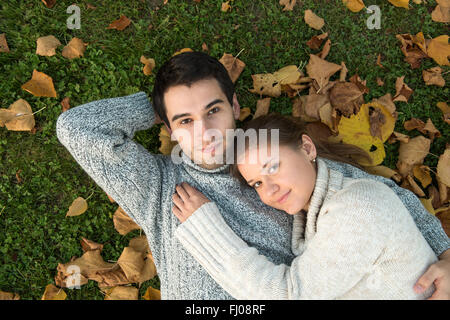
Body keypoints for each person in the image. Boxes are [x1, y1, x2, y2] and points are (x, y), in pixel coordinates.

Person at [56, 51, 450, 299]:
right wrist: (159, 103)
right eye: (185, 121)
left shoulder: (277, 156)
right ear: (171, 129)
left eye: (213, 111)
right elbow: (78, 130)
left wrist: (447, 256)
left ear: (235, 105)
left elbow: (385, 197)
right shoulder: (159, 186)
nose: (205, 132)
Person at [172, 113, 447, 299]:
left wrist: (206, 227)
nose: (269, 190)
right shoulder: (330, 203)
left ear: (307, 148)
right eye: (256, 183)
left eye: (273, 167)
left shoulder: (356, 209)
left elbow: (289, 294)